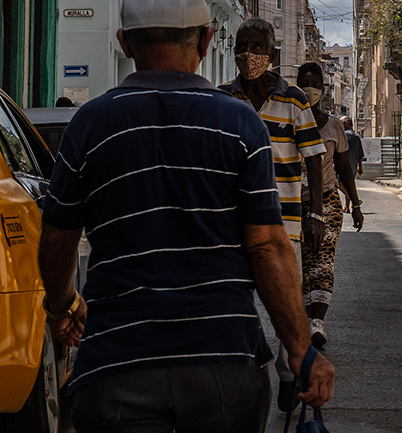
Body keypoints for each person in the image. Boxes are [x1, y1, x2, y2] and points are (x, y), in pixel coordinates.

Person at [37, 1, 334, 432]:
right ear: (206, 39)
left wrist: (61, 305)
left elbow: (58, 236)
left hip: (117, 364)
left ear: (124, 41)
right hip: (224, 365)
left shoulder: (90, 124)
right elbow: (268, 247)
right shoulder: (239, 124)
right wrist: (300, 349)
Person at [218, 18, 327, 413]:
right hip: (232, 220)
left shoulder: (294, 99)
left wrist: (315, 212)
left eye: (257, 47)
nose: (249, 55)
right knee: (233, 294)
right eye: (242, 46)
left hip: (286, 220)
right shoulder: (222, 99)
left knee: (288, 299)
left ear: (274, 55)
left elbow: (314, 158)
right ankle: (238, 367)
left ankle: (287, 371)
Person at [296, 63, 364, 348]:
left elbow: (344, 168)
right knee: (301, 263)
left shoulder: (334, 125)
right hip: (292, 203)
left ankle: (317, 322)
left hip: (327, 202)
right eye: (304, 82)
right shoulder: (289, 121)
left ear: (323, 88)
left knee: (322, 260)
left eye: (314, 83)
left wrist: (355, 203)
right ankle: (302, 319)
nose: (309, 88)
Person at [338, 115, 364, 213]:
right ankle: (347, 206)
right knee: (349, 184)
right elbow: (360, 154)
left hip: (343, 164)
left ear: (346, 124)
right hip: (353, 165)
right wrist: (360, 166)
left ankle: (353, 199)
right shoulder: (356, 136)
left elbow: (340, 151)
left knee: (339, 183)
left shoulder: (344, 135)